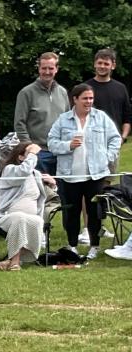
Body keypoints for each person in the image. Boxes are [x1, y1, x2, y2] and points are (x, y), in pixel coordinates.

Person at [48, 83, 121, 259]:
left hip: (95, 175)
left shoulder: (101, 117)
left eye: (91, 98)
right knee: (71, 212)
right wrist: (68, 145)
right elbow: (51, 143)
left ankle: (94, 246)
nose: (89, 101)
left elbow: (115, 138)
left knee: (94, 211)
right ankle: (72, 245)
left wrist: (107, 157)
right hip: (69, 175)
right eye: (85, 98)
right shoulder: (63, 120)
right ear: (75, 99)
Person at [80, 48, 131, 244]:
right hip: (89, 146)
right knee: (87, 187)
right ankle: (87, 229)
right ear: (95, 64)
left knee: (105, 188)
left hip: (111, 147)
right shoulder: (86, 88)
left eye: (106, 63)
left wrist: (122, 138)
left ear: (113, 66)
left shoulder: (120, 88)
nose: (102, 66)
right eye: (99, 63)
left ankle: (100, 226)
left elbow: (127, 116)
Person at [0, 142, 54, 271]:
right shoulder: (10, 170)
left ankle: (10, 260)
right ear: (21, 157)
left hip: (30, 216)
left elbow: (47, 196)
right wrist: (32, 153)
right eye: (30, 154)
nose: (34, 157)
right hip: (7, 216)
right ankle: (15, 262)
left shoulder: (36, 174)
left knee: (38, 220)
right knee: (20, 217)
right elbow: (23, 172)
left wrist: (53, 185)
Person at [13, 52, 69, 175]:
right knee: (39, 187)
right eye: (44, 68)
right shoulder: (26, 93)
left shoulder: (62, 92)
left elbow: (68, 121)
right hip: (38, 153)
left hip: (59, 152)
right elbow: (19, 123)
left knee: (59, 187)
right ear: (39, 69)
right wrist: (29, 147)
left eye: (51, 68)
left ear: (57, 69)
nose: (47, 72)